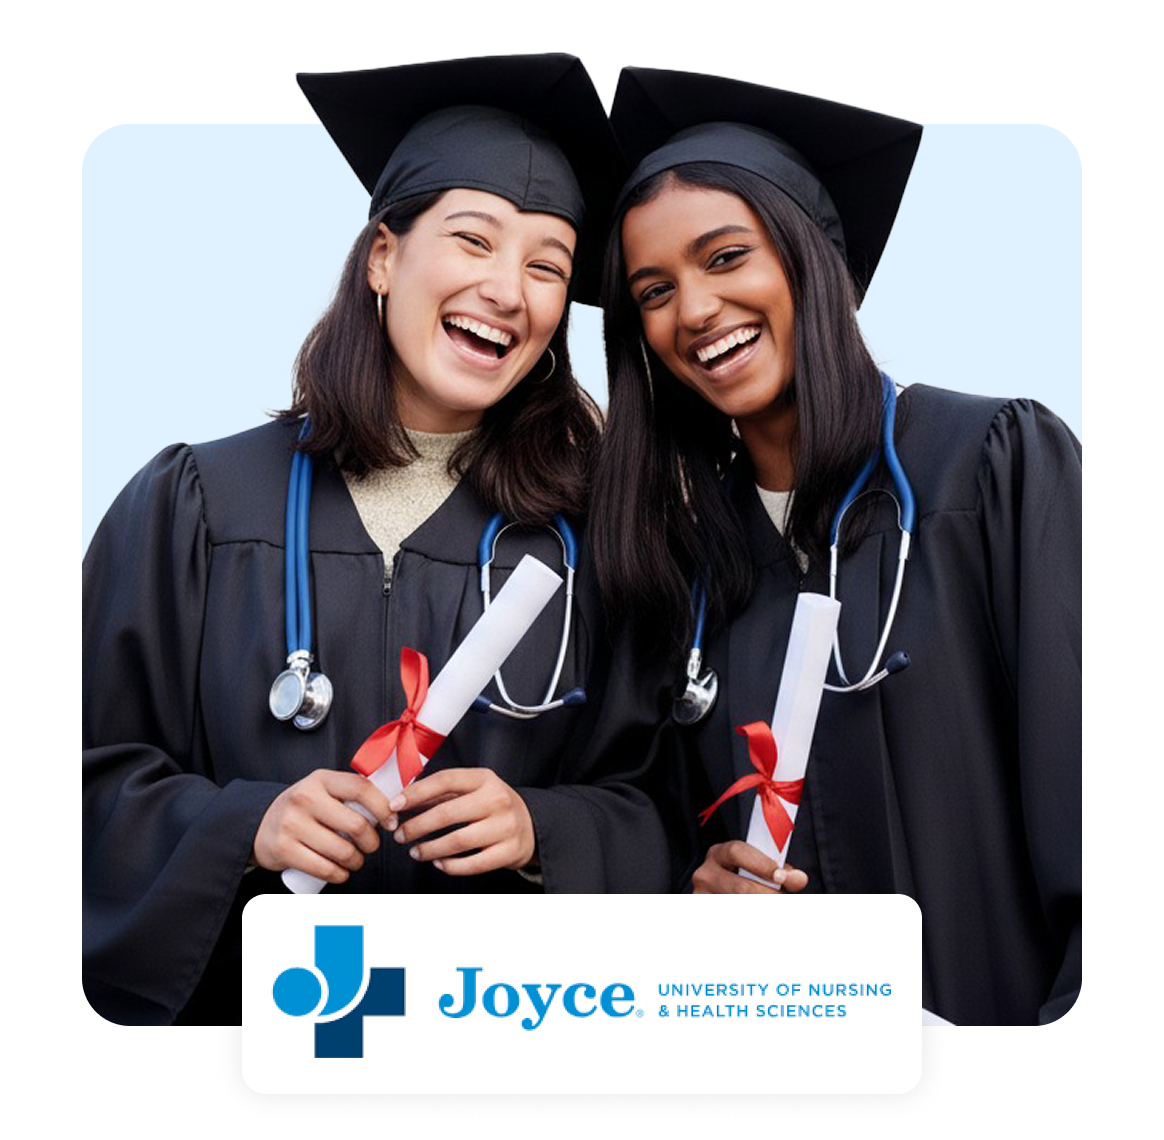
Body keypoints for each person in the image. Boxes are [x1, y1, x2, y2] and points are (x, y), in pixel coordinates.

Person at [82, 55, 669, 1028]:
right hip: (251, 1042)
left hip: (494, 1046)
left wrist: (544, 829)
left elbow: (661, 802)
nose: (507, 289)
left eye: (547, 265)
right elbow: (97, 775)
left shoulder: (596, 542)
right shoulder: (196, 502)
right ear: (383, 257)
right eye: (473, 240)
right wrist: (245, 824)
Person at [590, 68, 1081, 1025]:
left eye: (725, 257)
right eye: (654, 290)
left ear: (814, 259)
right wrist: (699, 891)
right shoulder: (684, 568)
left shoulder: (989, 468)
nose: (692, 311)